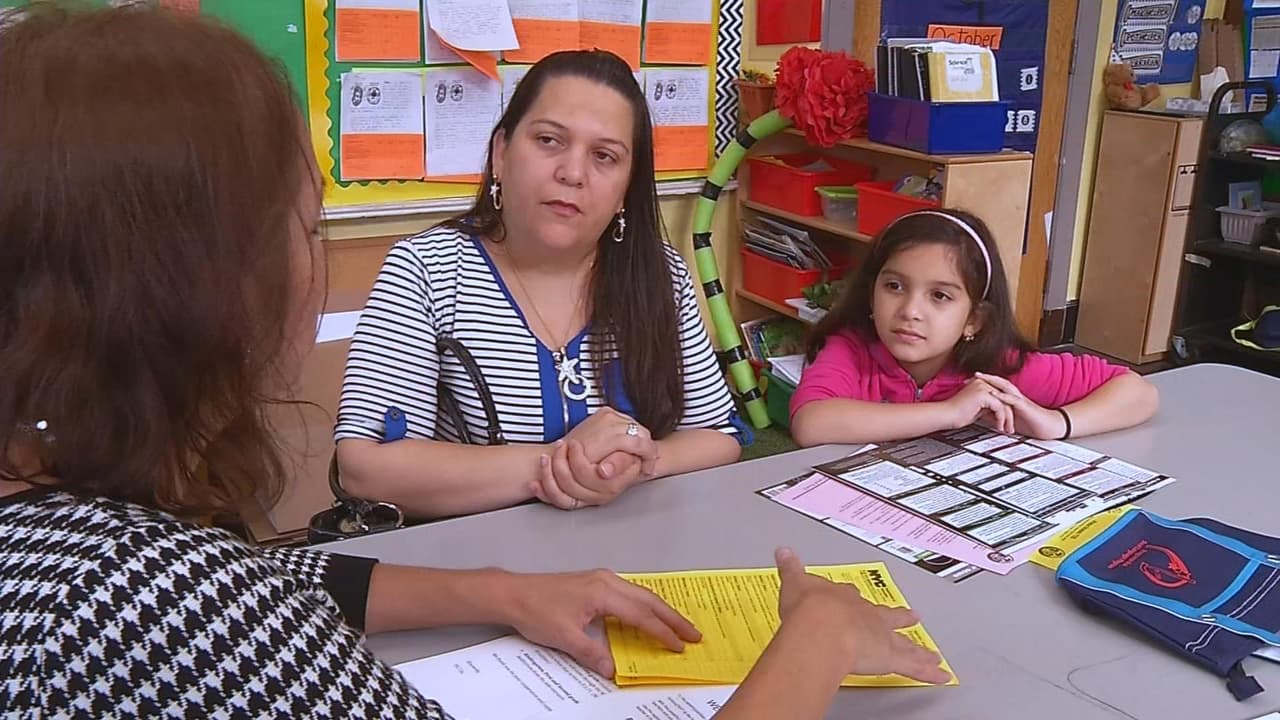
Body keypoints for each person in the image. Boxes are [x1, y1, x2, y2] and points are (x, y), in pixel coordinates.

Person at [0, 7, 947, 718]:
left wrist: (515, 578)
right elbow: (290, 535)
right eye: (302, 219)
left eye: (606, 156)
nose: (573, 172)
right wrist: (820, 633)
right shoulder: (158, 605)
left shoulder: (122, 559)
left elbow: (268, 582)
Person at [334, 50, 743, 520]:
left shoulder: (660, 275)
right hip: (472, 569)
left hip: (630, 555)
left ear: (627, 188)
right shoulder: (427, 269)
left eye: (604, 156)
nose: (572, 173)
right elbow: (365, 468)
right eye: (549, 140)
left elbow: (718, 435)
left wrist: (638, 462)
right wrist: (563, 462)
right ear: (502, 153)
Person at [790, 209, 1159, 447]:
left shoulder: (998, 367)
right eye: (894, 286)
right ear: (871, 294)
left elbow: (1138, 393)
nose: (910, 311)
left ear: (973, 320)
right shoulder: (850, 348)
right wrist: (950, 412)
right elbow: (812, 424)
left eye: (939, 296)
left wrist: (1054, 423)